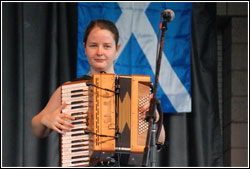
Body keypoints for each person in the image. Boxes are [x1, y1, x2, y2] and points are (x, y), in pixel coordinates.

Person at [31, 19, 165, 166]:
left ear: (117, 49)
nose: (99, 52)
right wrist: (46, 119)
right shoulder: (70, 89)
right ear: (85, 48)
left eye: (107, 46)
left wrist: (155, 118)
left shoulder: (138, 91)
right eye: (93, 45)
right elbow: (37, 128)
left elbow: (160, 141)